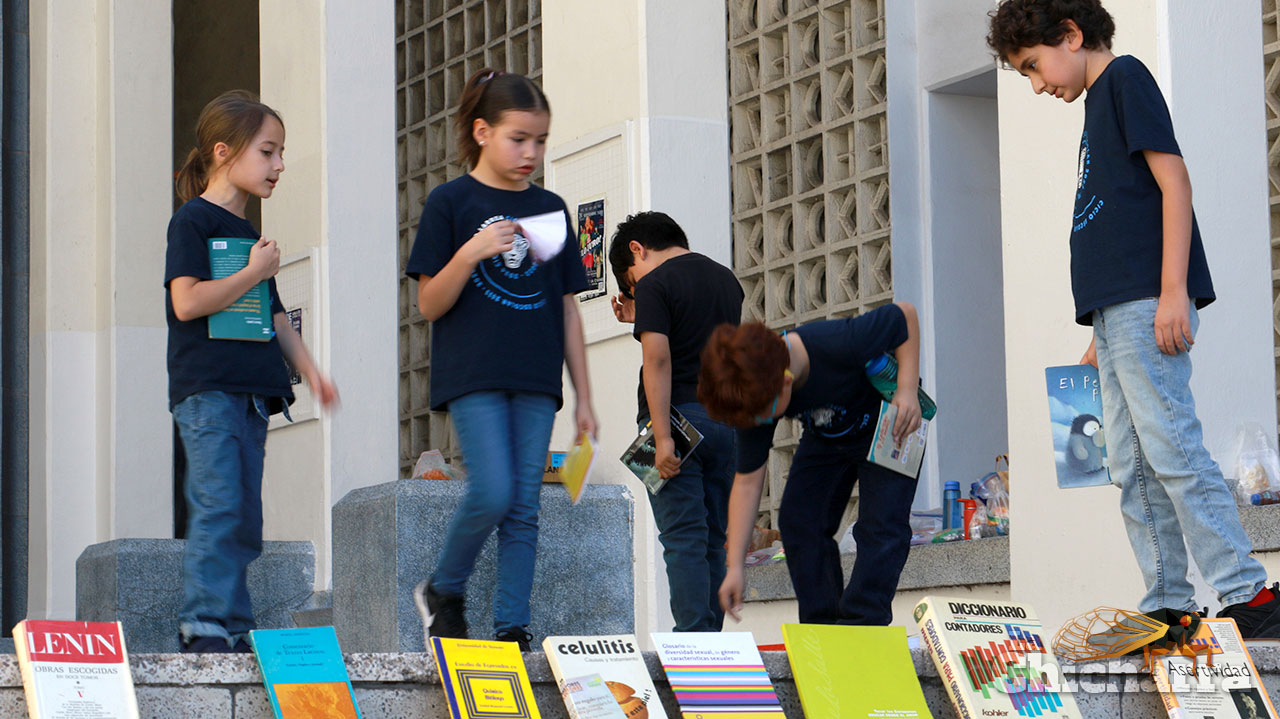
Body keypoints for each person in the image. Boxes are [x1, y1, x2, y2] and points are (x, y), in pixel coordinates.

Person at [987, 0, 1280, 636]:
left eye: (1033, 65)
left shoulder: (1125, 79)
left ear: (1070, 35)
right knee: (1130, 464)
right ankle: (1168, 601)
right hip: (1118, 315)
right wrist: (1101, 331)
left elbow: (1175, 182)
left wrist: (1173, 290)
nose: (1036, 84)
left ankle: (1249, 594)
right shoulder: (1098, 102)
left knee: (1173, 448)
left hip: (1148, 305)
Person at [405, 68, 595, 652]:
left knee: (524, 508)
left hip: (537, 378)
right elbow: (429, 304)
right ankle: (444, 590)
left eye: (540, 140)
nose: (530, 152)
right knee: (491, 491)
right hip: (475, 376)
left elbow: (566, 309)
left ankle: (512, 630)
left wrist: (585, 397)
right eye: (519, 139)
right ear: (482, 132)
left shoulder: (551, 208)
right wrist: (471, 252)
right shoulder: (451, 203)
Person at [166, 90, 339, 653]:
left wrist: (312, 371)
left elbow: (274, 316)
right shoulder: (192, 221)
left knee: (243, 516)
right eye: (268, 152)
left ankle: (234, 623)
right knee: (217, 504)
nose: (279, 165)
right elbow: (187, 302)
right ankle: (203, 623)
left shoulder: (248, 235)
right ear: (223, 152)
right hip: (208, 390)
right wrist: (253, 270)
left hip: (253, 394)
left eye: (280, 152)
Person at [699, 303, 923, 625]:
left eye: (765, 414)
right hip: (827, 436)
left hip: (890, 423)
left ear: (785, 381)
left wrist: (907, 389)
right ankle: (822, 624)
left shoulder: (838, 342)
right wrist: (735, 566)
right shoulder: (753, 394)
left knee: (882, 525)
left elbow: (904, 315)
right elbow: (747, 483)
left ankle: (863, 623)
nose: (760, 423)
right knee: (799, 520)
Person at [607, 211, 744, 632]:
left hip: (675, 419)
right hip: (724, 423)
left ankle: (694, 641)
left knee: (682, 537)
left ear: (637, 249)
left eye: (630, 282)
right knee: (712, 538)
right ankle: (710, 639)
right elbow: (694, 334)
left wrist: (663, 436)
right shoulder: (726, 280)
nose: (634, 291)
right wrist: (642, 315)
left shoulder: (654, 284)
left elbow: (659, 360)